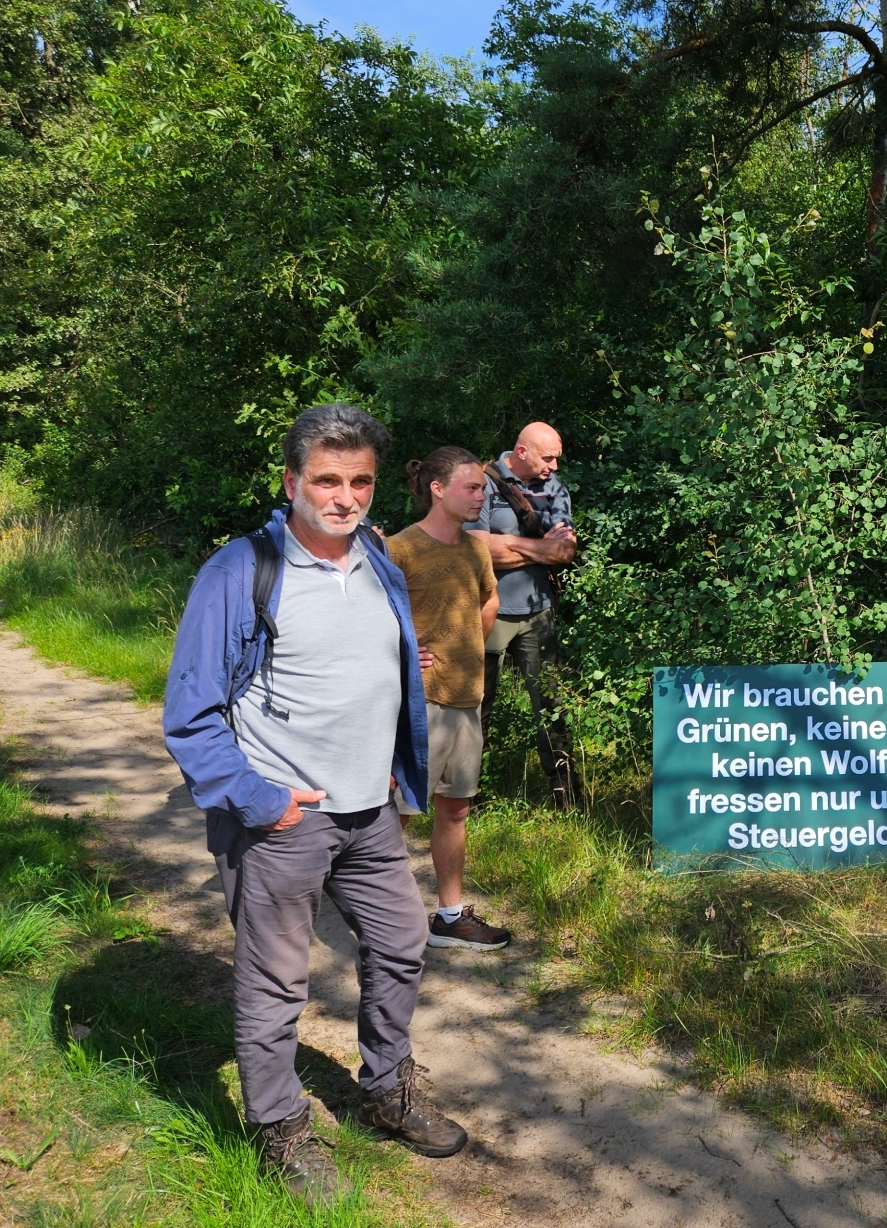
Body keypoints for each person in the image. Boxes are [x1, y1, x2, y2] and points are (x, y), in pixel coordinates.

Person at [162, 404, 468, 1203]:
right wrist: (258, 799)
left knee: (403, 940)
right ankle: (279, 1131)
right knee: (276, 983)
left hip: (371, 811)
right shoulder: (239, 571)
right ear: (293, 480)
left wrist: (398, 774)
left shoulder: (374, 555)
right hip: (283, 818)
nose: (344, 496)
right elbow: (190, 714)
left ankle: (384, 1090)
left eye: (359, 480)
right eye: (326, 480)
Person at [387, 448, 512, 951]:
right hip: (416, 707)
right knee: (392, 815)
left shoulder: (475, 548)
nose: (482, 496)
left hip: (466, 699)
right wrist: (399, 656)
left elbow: (489, 602)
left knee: (455, 810)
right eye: (473, 488)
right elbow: (366, 620)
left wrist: (466, 653)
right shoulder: (399, 550)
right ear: (437, 489)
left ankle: (449, 916)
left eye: (483, 488)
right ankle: (384, 918)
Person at [466, 421, 579, 808]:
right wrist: (537, 546)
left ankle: (566, 795)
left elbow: (564, 551)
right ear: (522, 450)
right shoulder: (482, 483)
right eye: (548, 458)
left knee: (552, 705)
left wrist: (506, 546)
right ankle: (468, 796)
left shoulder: (555, 489)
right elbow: (472, 549)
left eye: (557, 458)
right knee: (478, 703)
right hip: (489, 610)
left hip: (539, 611)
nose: (554, 466)